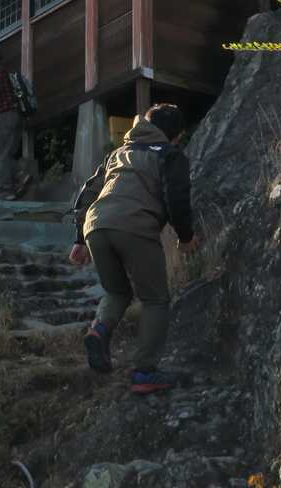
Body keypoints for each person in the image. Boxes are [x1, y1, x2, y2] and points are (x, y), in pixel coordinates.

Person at [68, 103, 198, 395]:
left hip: (96, 226)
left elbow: (88, 192)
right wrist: (186, 236)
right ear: (177, 135)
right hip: (135, 225)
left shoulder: (118, 153)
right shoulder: (169, 154)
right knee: (155, 299)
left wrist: (79, 239)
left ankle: (99, 330)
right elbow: (177, 197)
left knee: (117, 292)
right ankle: (145, 372)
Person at [0, 45, 30, 200]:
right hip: (17, 115)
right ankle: (21, 174)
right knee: (8, 153)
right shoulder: (5, 72)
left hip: (4, 116)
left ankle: (5, 190)